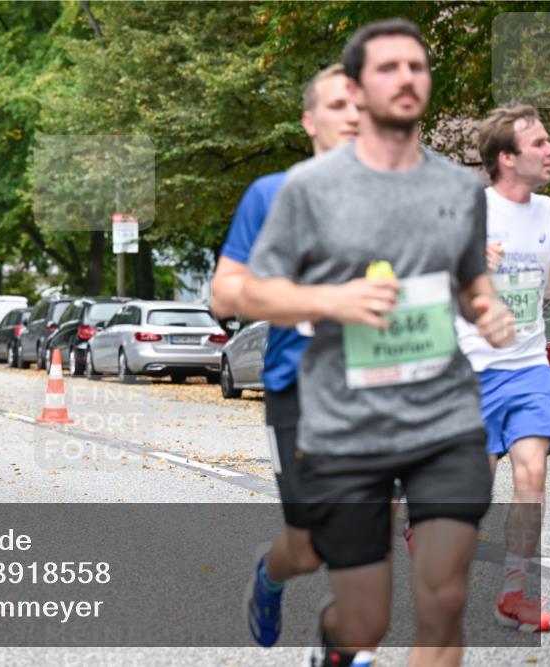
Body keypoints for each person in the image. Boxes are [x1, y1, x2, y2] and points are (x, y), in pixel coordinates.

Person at [241, 19, 516, 666]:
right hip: (344, 419)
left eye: (416, 66)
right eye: (387, 68)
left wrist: (486, 308)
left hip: (443, 416)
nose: (405, 79)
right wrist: (330, 301)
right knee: (364, 618)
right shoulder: (305, 189)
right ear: (359, 89)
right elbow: (245, 293)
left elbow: (469, 283)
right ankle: (334, 646)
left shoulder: (457, 188)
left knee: (445, 593)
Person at [210, 63, 360, 650]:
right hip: (298, 391)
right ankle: (270, 577)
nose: (353, 115)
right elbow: (225, 293)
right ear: (309, 121)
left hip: (384, 390)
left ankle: (344, 646)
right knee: (310, 544)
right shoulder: (272, 194)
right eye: (338, 105)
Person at [454, 105, 550, 633]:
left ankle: (514, 594)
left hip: (528, 367)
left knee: (532, 472)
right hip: (471, 370)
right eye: (539, 143)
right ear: (507, 159)